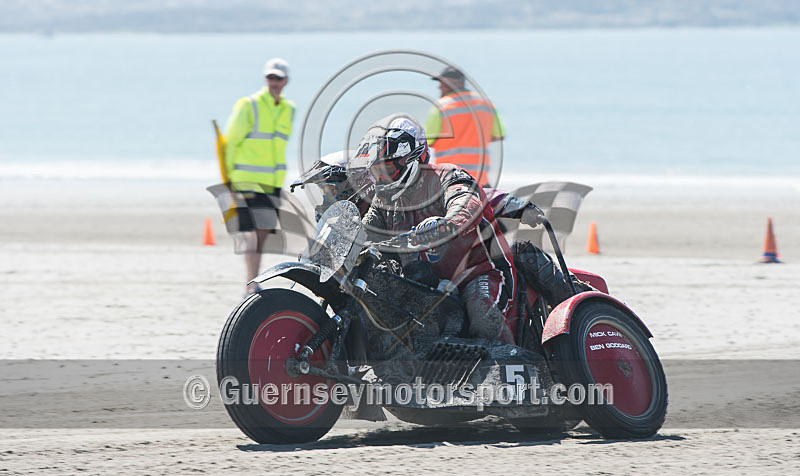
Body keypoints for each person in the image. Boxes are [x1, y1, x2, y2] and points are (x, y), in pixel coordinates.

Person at [358, 115, 517, 342]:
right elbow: (364, 234)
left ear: (413, 159)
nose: (381, 178)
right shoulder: (384, 199)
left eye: (387, 169)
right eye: (376, 171)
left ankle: (515, 369)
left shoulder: (448, 176)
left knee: (483, 316)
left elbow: (467, 203)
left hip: (479, 271)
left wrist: (443, 225)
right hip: (427, 279)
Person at [223, 57, 295, 294]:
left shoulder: (289, 110)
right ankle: (251, 282)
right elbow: (230, 142)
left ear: (286, 81)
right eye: (270, 77)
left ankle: (252, 280)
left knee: (262, 234)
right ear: (266, 79)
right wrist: (229, 181)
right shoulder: (249, 105)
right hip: (246, 180)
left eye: (278, 78)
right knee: (252, 233)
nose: (274, 82)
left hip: (272, 182)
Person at [423, 66, 504, 187]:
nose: (439, 87)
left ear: (454, 83)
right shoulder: (486, 103)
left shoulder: (441, 106)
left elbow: (426, 141)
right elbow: (498, 136)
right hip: (480, 180)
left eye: (442, 83)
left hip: (451, 178)